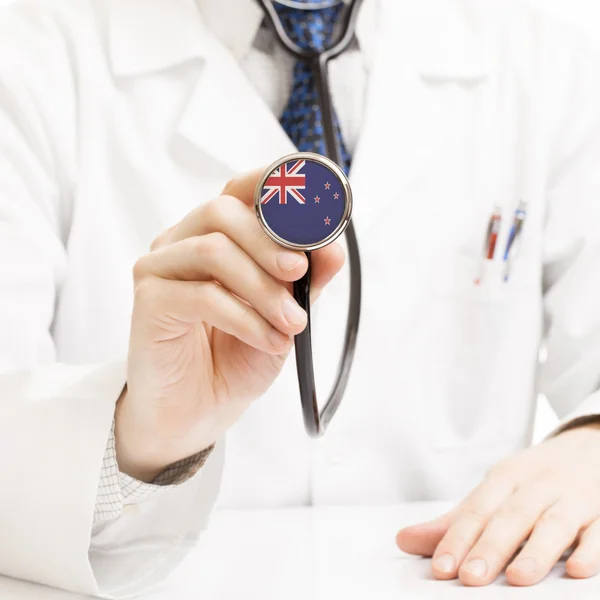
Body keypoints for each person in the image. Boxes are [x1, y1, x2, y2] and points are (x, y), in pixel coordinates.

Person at [1, 0, 600, 596]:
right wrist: (143, 442)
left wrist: (591, 441)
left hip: (460, 578)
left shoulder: (550, 61)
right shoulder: (30, 56)